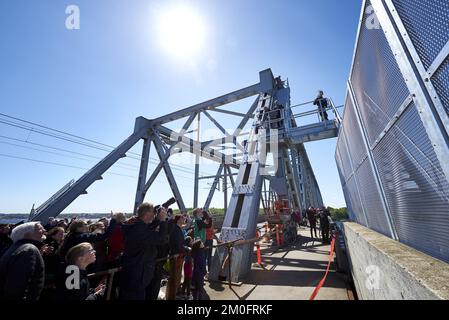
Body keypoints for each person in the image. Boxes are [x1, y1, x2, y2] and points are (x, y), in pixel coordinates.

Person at [119, 202, 168, 300]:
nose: (154, 214)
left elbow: (148, 228)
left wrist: (158, 219)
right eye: (153, 213)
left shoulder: (137, 226)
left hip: (133, 272)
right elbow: (162, 239)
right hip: (137, 275)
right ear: (147, 214)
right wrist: (162, 221)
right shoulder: (139, 229)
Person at [0, 222, 46, 300]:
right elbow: (18, 286)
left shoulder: (15, 248)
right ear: (26, 234)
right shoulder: (29, 249)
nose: (44, 230)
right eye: (39, 229)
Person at [167, 214, 190, 300]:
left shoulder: (177, 229)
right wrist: (187, 248)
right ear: (178, 220)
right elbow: (178, 245)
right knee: (175, 277)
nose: (184, 219)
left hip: (178, 256)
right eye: (182, 218)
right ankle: (174, 295)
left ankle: (175, 294)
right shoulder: (176, 230)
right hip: (176, 256)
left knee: (177, 276)